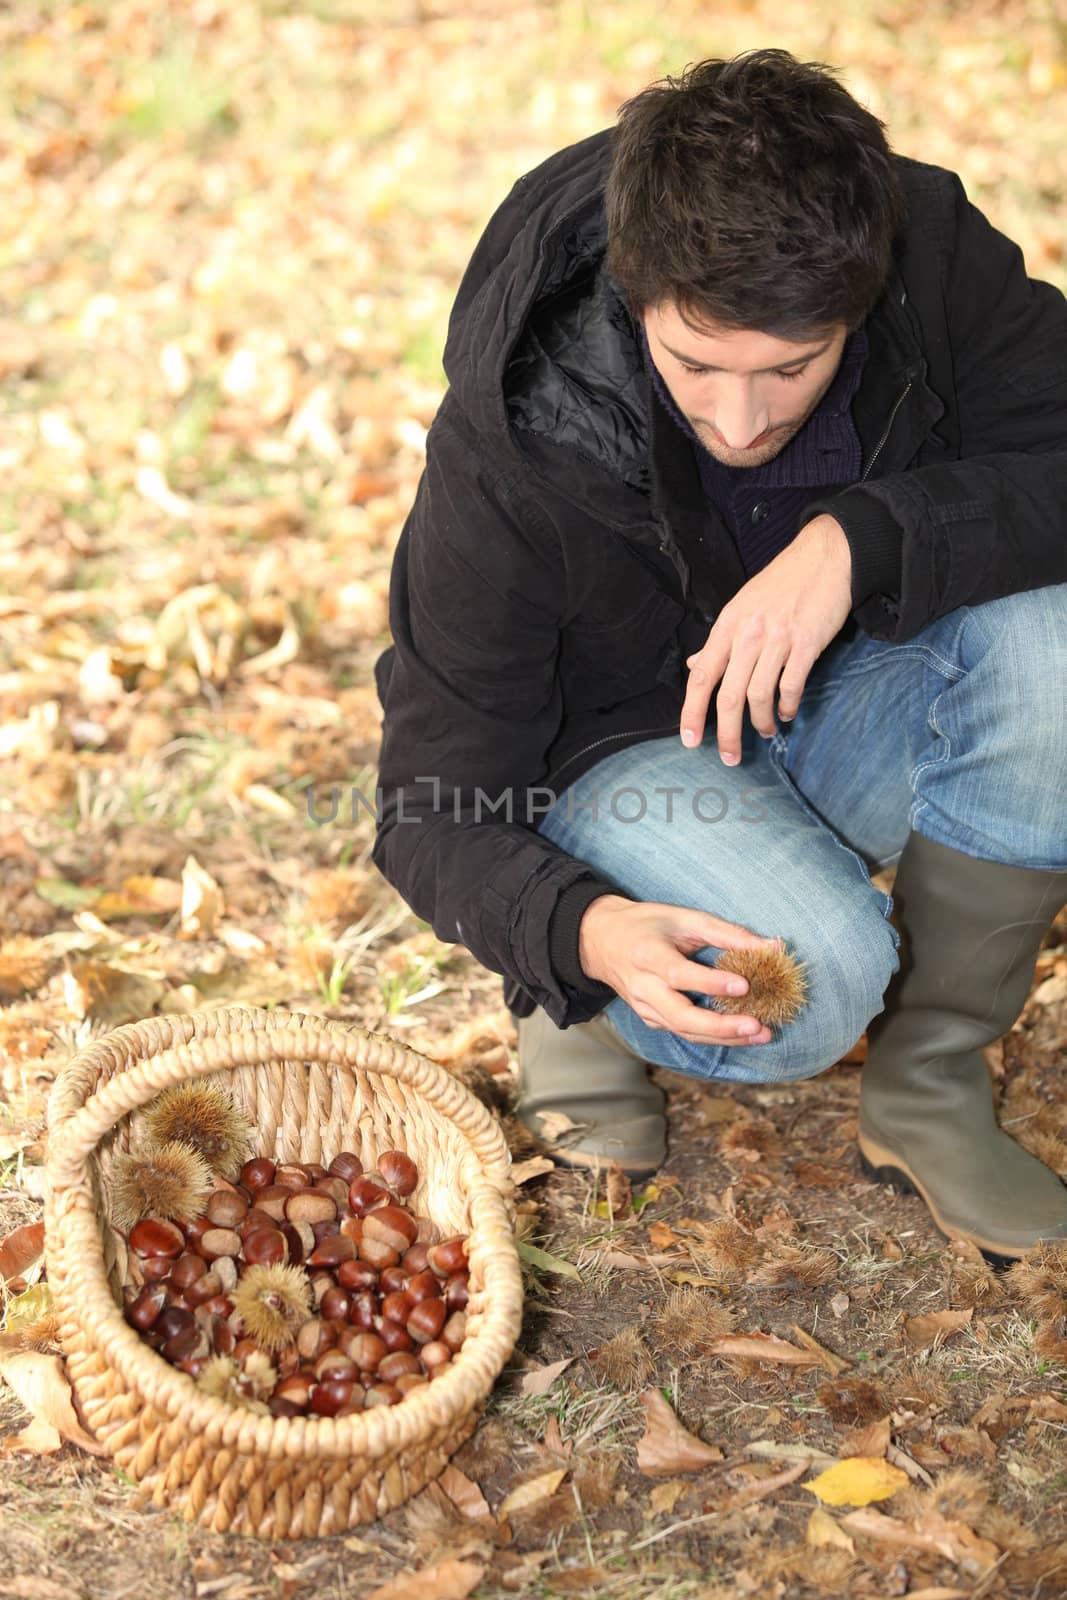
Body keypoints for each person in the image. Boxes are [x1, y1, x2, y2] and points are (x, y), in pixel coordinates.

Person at [372, 49, 1067, 1264]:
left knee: (1053, 640)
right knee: (810, 988)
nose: (739, 423)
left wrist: (859, 538)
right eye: (696, 366)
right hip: (625, 760)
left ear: (857, 296)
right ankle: (574, 1004)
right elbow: (428, 805)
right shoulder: (517, 436)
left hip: (844, 684)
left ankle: (927, 1084)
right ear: (638, 295)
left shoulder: (927, 258)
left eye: (789, 371)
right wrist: (582, 932)